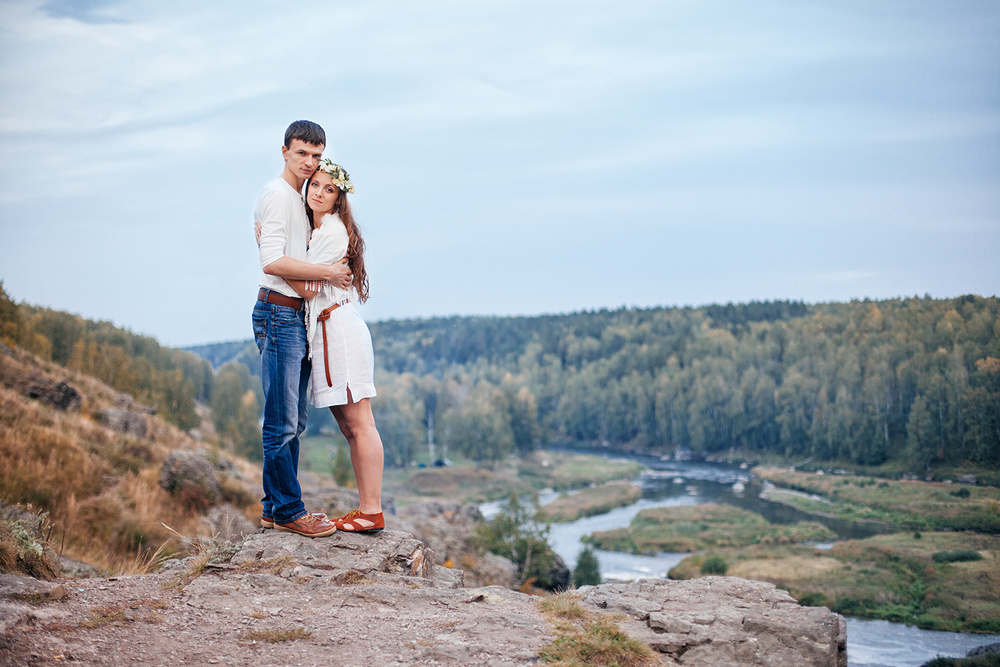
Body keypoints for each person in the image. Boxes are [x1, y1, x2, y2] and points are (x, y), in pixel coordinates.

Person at [251, 121, 352, 538]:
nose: (309, 163)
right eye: (301, 154)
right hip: (278, 313)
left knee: (294, 420)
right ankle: (290, 509)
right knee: (281, 422)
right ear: (284, 152)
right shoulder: (278, 196)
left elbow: (281, 252)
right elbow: (271, 261)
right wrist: (327, 273)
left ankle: (275, 508)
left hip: (295, 315)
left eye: (316, 155)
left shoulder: (301, 198)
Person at [292, 159, 385, 533]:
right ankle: (368, 509)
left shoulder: (331, 232)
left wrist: (273, 262)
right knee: (351, 427)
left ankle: (372, 510)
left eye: (329, 189)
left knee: (360, 424)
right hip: (330, 331)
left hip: (340, 332)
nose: (319, 192)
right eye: (315, 184)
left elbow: (306, 286)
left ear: (338, 199)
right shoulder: (316, 229)